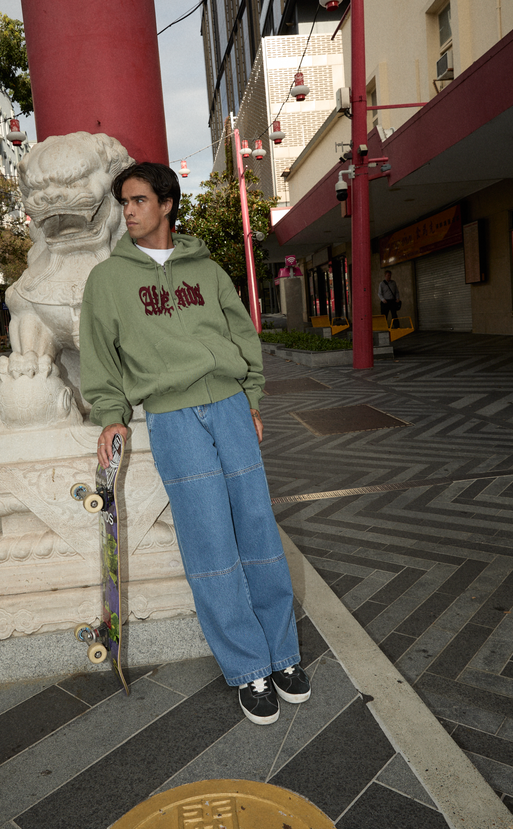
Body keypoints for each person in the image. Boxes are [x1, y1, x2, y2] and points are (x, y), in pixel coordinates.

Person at [79, 162, 310, 725]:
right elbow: (100, 357)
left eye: (138, 200)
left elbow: (240, 335)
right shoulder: (107, 281)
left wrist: (251, 399)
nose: (128, 211)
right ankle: (248, 666)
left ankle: (282, 653)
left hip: (229, 406)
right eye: (123, 202)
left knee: (258, 529)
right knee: (209, 541)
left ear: (166, 204)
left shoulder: (206, 269)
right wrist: (111, 417)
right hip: (172, 416)